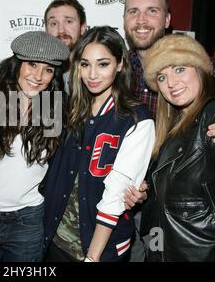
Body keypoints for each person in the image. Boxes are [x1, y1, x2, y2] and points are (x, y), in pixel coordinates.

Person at [123, 0, 215, 261]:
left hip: (200, 242)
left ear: (168, 19)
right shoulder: (118, 69)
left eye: (152, 11)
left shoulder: (214, 102)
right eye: (133, 11)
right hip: (152, 218)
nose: (172, 83)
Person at [42, 26, 155, 262]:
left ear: (120, 64)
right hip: (54, 239)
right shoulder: (72, 108)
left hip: (101, 249)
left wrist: (92, 258)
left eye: (103, 64)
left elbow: (115, 196)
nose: (92, 74)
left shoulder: (136, 118)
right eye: (85, 64)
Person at [0, 30, 69, 262]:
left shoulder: (55, 112)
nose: (39, 76)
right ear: (17, 65)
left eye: (48, 69)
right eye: (32, 64)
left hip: (27, 220)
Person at [140, 34, 215, 261]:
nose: (171, 83)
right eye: (162, 77)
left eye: (179, 69)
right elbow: (162, 209)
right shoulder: (173, 123)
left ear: (200, 69)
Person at [44, 0, 87, 94]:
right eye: (54, 23)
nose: (61, 31)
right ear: (46, 30)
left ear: (83, 28)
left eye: (68, 21)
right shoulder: (35, 75)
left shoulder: (93, 75)